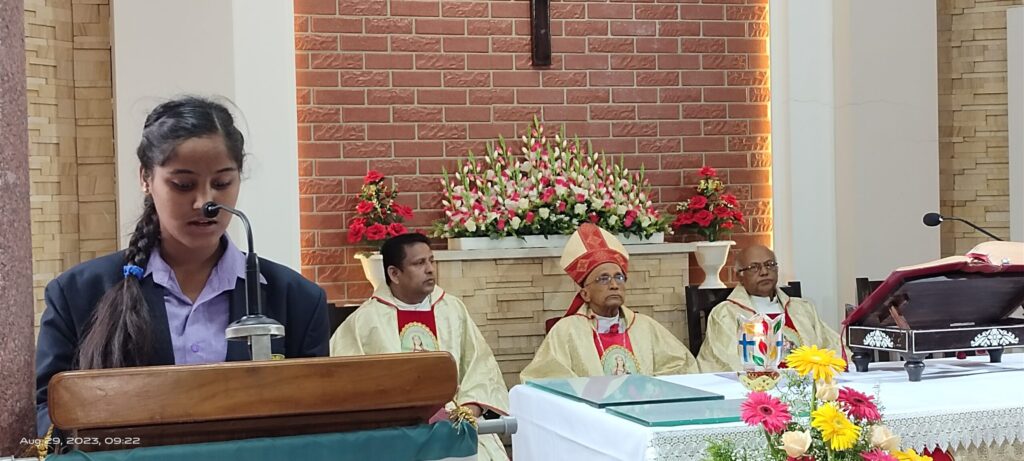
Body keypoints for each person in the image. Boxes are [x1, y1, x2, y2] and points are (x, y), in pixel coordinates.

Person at [34, 97, 330, 435]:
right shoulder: (78, 294)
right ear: (146, 178)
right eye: (183, 185)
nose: (205, 202)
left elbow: (315, 421)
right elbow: (47, 411)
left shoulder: (298, 300)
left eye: (222, 183)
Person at [330, 233, 510, 461]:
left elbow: (480, 367)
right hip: (395, 432)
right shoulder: (365, 321)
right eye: (419, 263)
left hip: (455, 423)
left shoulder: (452, 310)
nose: (430, 269)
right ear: (394, 274)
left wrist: (468, 411)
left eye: (431, 261)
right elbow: (346, 385)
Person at [520, 224, 699, 381]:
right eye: (603, 279)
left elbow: (682, 366)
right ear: (585, 294)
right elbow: (543, 377)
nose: (614, 285)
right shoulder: (567, 331)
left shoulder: (645, 326)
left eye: (619, 277)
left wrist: (651, 388)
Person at [697, 244, 845, 372]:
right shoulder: (726, 314)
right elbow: (728, 362)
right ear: (739, 276)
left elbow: (834, 347)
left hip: (807, 384)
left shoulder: (802, 309)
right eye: (754, 267)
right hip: (755, 388)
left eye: (770, 264)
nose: (764, 272)